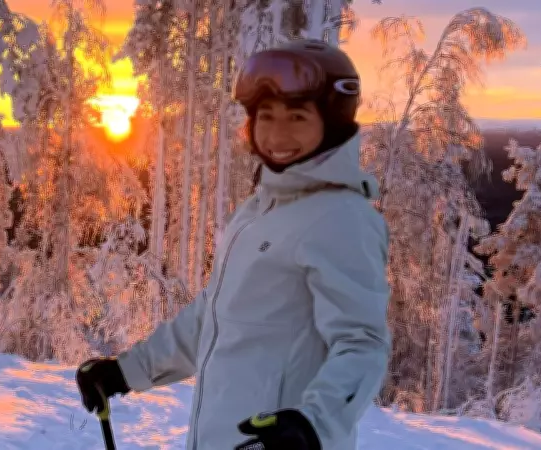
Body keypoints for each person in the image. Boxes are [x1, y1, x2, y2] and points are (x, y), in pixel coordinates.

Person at [76, 38, 391, 450]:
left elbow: (362, 343)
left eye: (297, 117)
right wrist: (126, 371)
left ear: (332, 122)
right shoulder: (259, 210)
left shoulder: (341, 218)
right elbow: (213, 317)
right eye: (266, 116)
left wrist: (313, 424)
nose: (277, 134)